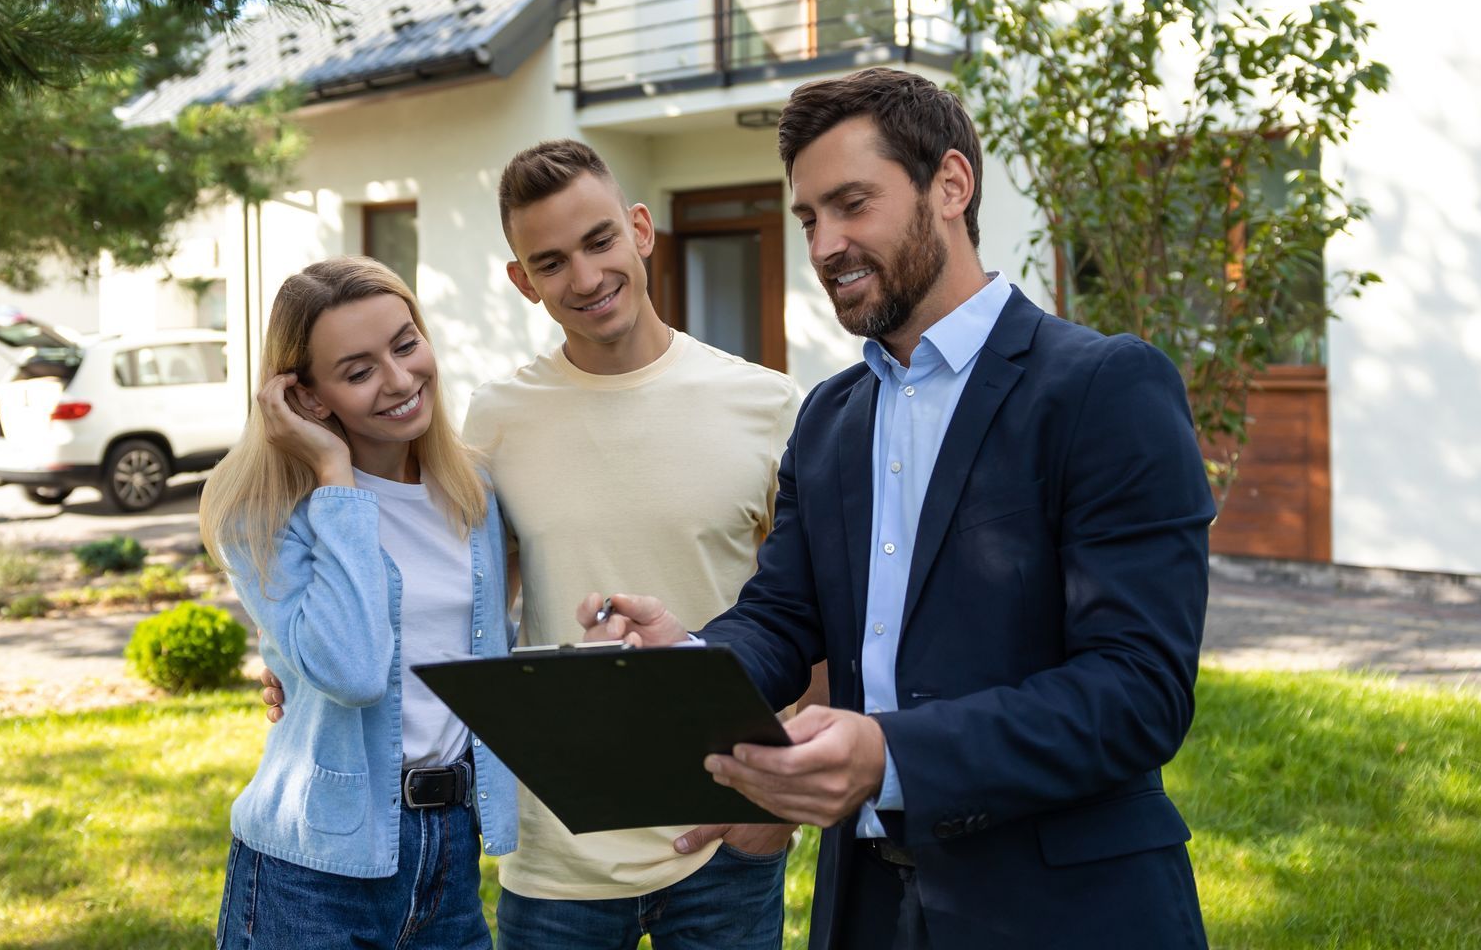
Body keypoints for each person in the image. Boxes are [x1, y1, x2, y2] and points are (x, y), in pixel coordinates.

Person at [581, 67, 1213, 949]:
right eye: (809, 219)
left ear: (951, 186)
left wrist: (892, 756)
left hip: (1063, 910)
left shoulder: (1103, 387)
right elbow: (782, 615)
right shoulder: (831, 418)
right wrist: (686, 658)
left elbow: (1139, 691)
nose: (826, 243)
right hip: (866, 909)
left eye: (852, 204)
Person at [263, 140, 807, 950]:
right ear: (522, 281)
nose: (585, 279)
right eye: (550, 262)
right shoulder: (494, 422)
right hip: (556, 855)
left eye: (598, 243)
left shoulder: (769, 406)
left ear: (640, 230)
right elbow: (443, 590)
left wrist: (770, 805)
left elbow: (814, 620)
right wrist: (291, 658)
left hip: (722, 838)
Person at [200, 256, 517, 950]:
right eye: (358, 370)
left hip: (450, 855)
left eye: (405, 345)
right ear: (307, 399)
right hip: (312, 871)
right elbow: (353, 670)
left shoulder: (475, 494)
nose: (400, 380)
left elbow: (485, 647)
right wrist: (335, 478)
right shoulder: (262, 514)